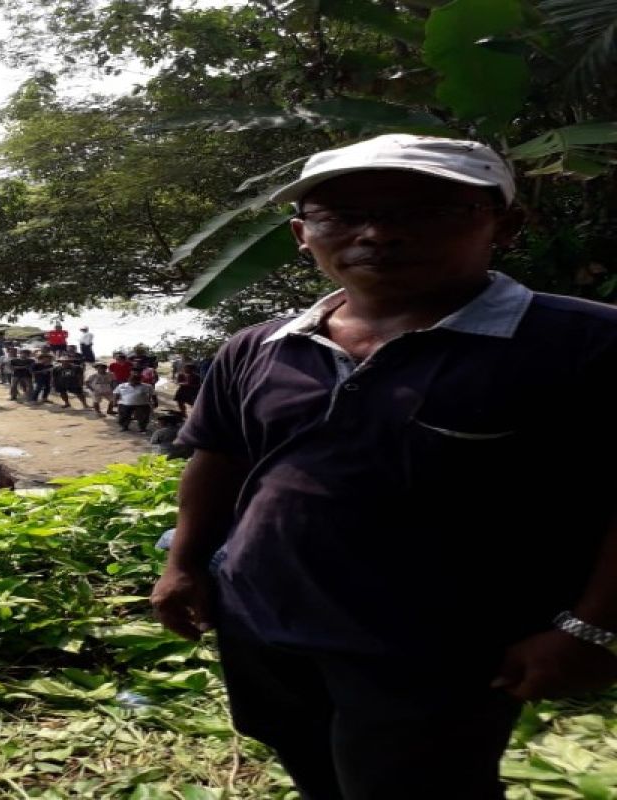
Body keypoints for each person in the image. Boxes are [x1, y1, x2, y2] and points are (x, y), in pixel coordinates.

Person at [150, 134, 617, 800]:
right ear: (301, 234)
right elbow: (219, 456)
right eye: (339, 215)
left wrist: (591, 628)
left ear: (504, 224)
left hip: (440, 650)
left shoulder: (586, 344)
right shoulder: (259, 346)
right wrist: (184, 565)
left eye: (424, 211)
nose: (377, 233)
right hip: (263, 623)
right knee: (315, 770)